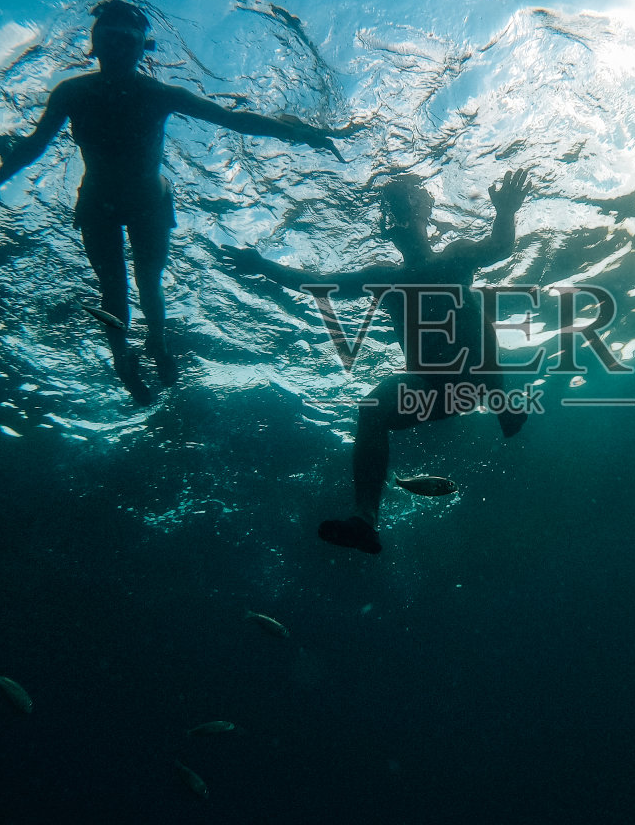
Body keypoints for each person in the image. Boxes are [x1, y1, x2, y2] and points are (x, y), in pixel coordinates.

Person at [0, 0, 350, 402]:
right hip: (106, 202)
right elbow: (35, 145)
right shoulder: (74, 93)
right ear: (95, 44)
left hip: (141, 201)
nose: (118, 47)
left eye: (127, 39)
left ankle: (155, 343)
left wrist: (297, 133)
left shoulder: (151, 94)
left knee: (146, 283)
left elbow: (232, 120)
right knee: (115, 288)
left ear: (143, 47)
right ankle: (123, 356)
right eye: (111, 39)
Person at [222, 168, 534, 554]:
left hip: (476, 374)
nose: (402, 222)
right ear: (389, 229)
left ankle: (498, 397)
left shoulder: (453, 258)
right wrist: (264, 265)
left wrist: (505, 211)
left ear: (424, 218)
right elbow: (319, 284)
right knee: (371, 409)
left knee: (473, 310)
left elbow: (499, 247)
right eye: (395, 215)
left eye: (408, 211)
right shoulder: (383, 277)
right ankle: (364, 521)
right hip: (433, 390)